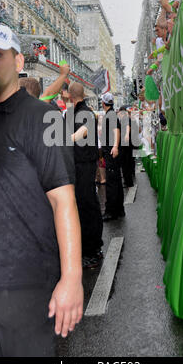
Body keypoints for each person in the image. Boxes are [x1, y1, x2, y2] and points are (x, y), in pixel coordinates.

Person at [0, 22, 83, 357]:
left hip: (24, 288)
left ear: (18, 63)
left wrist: (72, 279)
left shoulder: (47, 118)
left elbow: (64, 201)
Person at [68, 82, 103, 268]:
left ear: (70, 96)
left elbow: (84, 130)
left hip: (84, 166)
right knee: (82, 206)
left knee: (88, 204)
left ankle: (93, 251)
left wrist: (69, 138)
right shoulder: (71, 114)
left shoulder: (85, 113)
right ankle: (87, 248)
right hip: (77, 165)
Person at [101, 92, 125, 221]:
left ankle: (111, 211)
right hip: (112, 151)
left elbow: (116, 131)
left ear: (103, 103)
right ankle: (119, 209)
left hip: (111, 152)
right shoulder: (111, 115)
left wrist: (115, 146)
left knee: (111, 182)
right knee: (116, 181)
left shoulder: (110, 116)